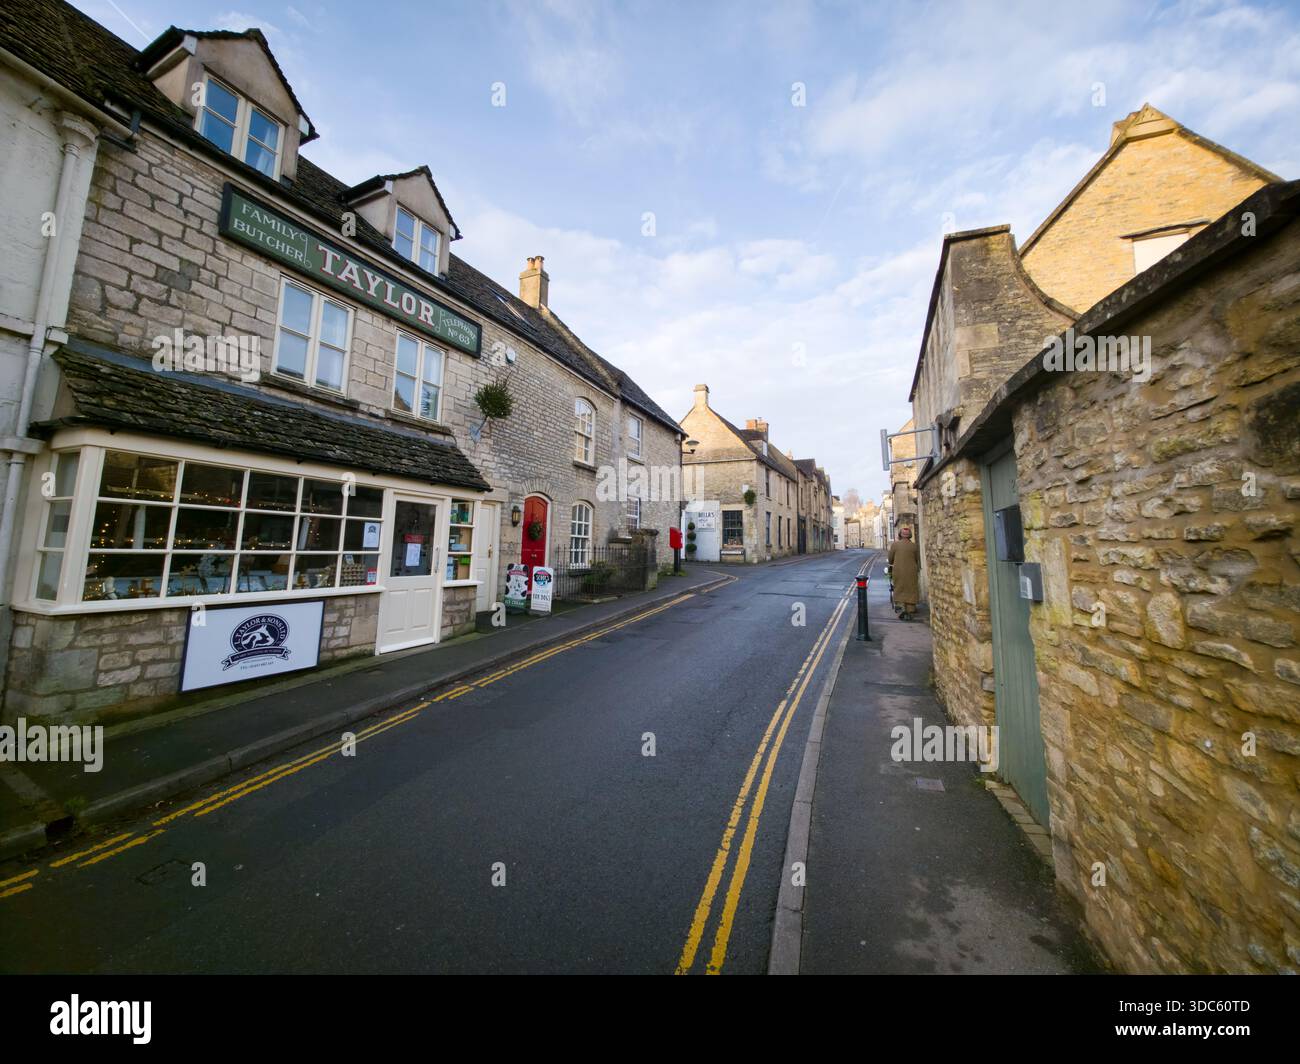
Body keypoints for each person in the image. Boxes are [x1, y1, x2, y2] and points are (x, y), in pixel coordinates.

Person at [888, 526, 920, 621]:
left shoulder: (895, 545)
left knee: (899, 587)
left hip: (898, 570)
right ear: (910, 535)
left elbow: (890, 558)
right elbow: (916, 559)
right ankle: (910, 609)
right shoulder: (914, 546)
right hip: (911, 571)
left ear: (900, 535)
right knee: (911, 588)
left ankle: (901, 608)